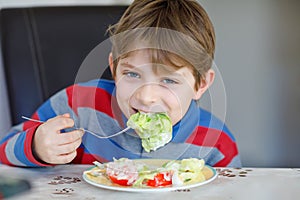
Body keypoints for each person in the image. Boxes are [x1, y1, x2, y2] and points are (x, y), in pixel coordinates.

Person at [0, 0, 241, 167]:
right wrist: (36, 146)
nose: (146, 97)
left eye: (168, 80)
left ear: (200, 85)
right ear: (114, 68)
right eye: (133, 75)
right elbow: (4, 148)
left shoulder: (216, 142)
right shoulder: (78, 107)